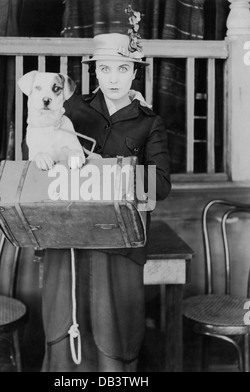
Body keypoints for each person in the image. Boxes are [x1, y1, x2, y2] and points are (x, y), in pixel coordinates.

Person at [38, 28, 171, 372]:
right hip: (68, 239)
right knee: (64, 328)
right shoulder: (72, 108)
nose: (114, 78)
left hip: (120, 245)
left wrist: (108, 168)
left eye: (123, 69)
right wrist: (45, 157)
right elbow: (41, 147)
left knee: (116, 336)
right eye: (106, 69)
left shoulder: (149, 123)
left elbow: (160, 183)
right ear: (94, 71)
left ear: (135, 72)